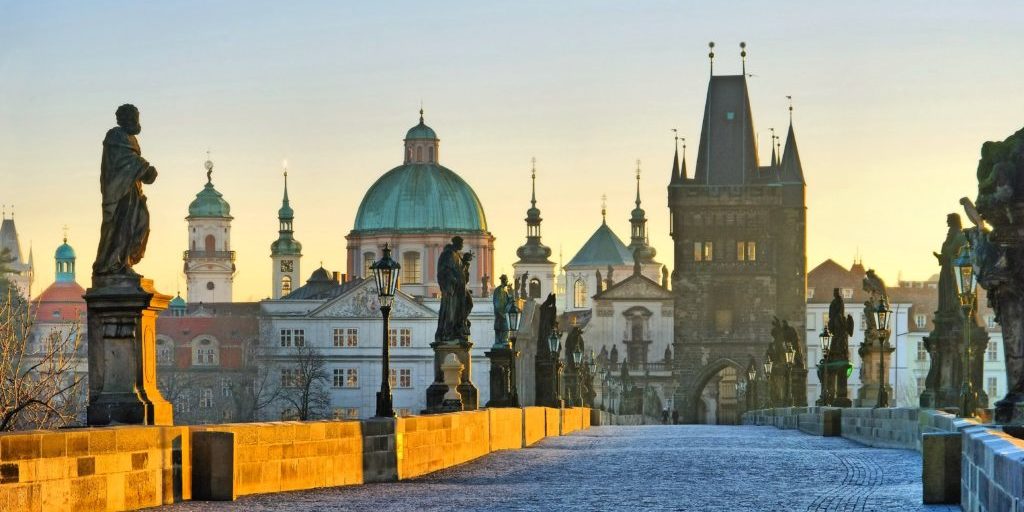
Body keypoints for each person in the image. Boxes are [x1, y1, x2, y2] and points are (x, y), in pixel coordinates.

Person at [93, 104, 158, 277]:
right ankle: (112, 264)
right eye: (133, 118)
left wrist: (143, 170)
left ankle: (125, 261)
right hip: (119, 192)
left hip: (133, 191)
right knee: (120, 227)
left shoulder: (131, 139)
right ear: (124, 119)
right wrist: (144, 167)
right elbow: (124, 161)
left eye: (137, 118)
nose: (136, 121)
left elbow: (132, 162)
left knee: (140, 223)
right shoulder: (115, 135)